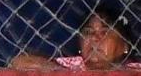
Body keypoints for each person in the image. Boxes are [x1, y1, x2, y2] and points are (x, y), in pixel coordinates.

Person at [10, 6, 139, 71]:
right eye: (88, 32)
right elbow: (19, 62)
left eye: (105, 31)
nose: (94, 38)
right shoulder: (74, 66)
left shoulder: (135, 71)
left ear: (125, 46)